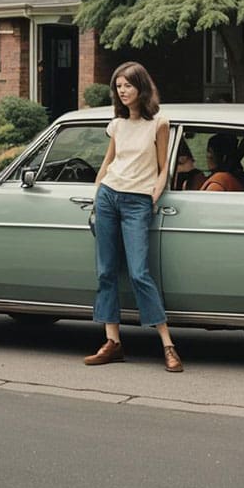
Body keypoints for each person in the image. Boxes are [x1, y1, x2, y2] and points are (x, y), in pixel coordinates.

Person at [86, 61, 183, 373]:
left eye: (127, 85)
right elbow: (109, 161)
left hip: (138, 202)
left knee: (140, 272)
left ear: (141, 86)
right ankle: (112, 342)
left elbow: (163, 166)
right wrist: (96, 193)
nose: (122, 91)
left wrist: (152, 197)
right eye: (118, 86)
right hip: (108, 197)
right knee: (106, 271)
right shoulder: (117, 124)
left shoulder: (159, 123)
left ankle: (168, 345)